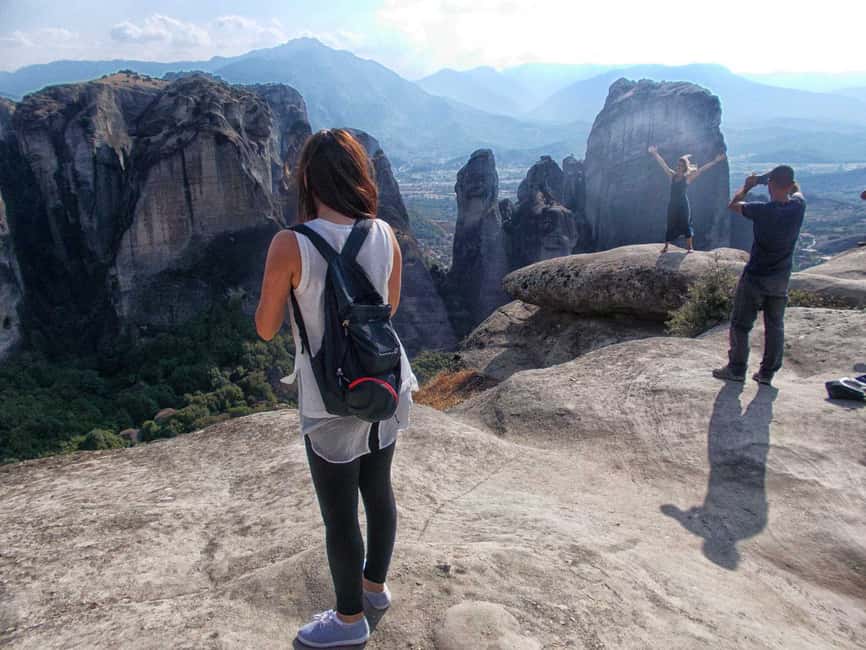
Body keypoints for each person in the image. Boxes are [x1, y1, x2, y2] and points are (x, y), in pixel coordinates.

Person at [255, 128, 417, 648]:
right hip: (385, 381)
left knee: (340, 514)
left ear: (307, 180)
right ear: (359, 177)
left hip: (330, 396)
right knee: (379, 490)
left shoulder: (291, 243)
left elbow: (265, 327)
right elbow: (390, 308)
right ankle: (375, 589)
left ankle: (349, 621)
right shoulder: (385, 233)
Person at [713, 165, 806, 386]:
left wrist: (748, 186)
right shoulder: (798, 207)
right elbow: (797, 191)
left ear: (771, 185)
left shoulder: (762, 210)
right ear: (789, 184)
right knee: (775, 326)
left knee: (741, 324)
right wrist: (776, 180)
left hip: (755, 276)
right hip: (780, 279)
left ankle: (737, 369)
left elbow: (733, 205)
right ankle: (767, 373)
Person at [648, 146, 726, 253]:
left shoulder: (687, 178)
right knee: (670, 223)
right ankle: (666, 247)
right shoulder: (672, 176)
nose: (679, 167)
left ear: (685, 167)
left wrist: (715, 161)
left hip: (683, 204)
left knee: (686, 223)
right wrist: (655, 153)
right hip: (673, 204)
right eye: (678, 165)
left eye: (681, 166)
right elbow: (663, 165)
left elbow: (701, 170)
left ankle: (689, 247)